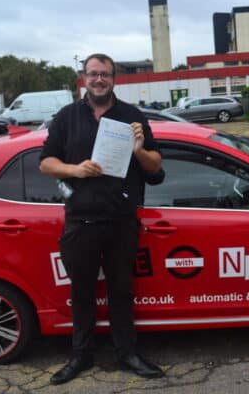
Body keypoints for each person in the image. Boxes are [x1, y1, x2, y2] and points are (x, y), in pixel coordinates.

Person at [39, 53, 165, 385]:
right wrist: (74, 169)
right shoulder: (67, 117)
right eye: (93, 74)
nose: (99, 79)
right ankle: (81, 355)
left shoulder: (131, 116)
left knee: (122, 292)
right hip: (80, 223)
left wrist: (139, 149)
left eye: (105, 74)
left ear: (114, 79)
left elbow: (155, 167)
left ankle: (127, 353)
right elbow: (45, 162)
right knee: (81, 294)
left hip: (121, 221)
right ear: (84, 77)